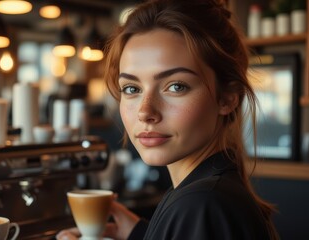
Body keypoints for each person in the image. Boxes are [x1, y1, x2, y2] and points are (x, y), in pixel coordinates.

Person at [57, 0, 279, 239]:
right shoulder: (208, 194)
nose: (145, 112)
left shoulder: (200, 204)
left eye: (176, 86)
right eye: (132, 88)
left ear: (227, 98)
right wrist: (142, 233)